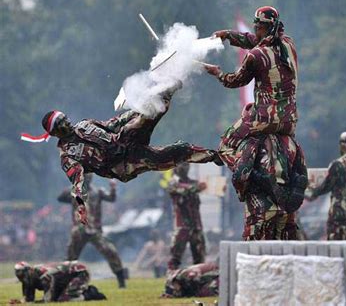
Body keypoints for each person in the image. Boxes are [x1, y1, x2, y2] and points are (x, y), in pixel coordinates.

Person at [21, 81, 219, 224]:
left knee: (147, 115)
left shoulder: (84, 124)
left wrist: (136, 110)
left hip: (124, 140)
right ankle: (212, 156)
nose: (66, 123)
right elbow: (77, 181)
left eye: (64, 118)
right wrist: (81, 206)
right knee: (175, 151)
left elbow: (112, 125)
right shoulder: (67, 155)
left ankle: (169, 87)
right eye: (61, 124)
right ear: (55, 133)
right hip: (123, 165)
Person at [204, 6, 298, 171]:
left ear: (261, 27)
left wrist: (218, 73)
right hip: (290, 120)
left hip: (264, 118)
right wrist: (228, 34)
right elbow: (258, 40)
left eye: (257, 26)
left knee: (225, 146)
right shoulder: (288, 44)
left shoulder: (255, 56)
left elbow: (235, 81)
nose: (254, 29)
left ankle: (249, 173)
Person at [234, 134, 308, 240]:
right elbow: (302, 177)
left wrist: (242, 194)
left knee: (258, 254)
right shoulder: (292, 143)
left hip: (260, 212)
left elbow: (240, 177)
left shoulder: (252, 141)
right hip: (286, 212)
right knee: (286, 253)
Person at [57, 173, 126, 288]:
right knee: (70, 258)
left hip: (94, 230)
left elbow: (111, 198)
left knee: (110, 251)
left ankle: (121, 281)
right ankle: (62, 283)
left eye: (90, 176)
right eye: (86, 176)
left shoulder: (98, 191)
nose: (88, 178)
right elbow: (60, 197)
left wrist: (113, 188)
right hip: (79, 230)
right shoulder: (74, 190)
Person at [309, 132, 346, 241]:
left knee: (336, 245)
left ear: (342, 146)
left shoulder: (338, 165)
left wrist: (311, 193)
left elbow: (326, 187)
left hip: (340, 212)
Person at [167, 163, 207, 270]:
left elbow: (204, 187)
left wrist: (217, 187)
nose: (185, 167)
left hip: (196, 226)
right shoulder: (173, 183)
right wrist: (197, 187)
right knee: (175, 257)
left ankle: (197, 283)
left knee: (200, 258)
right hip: (182, 226)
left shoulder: (193, 182)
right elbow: (184, 189)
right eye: (182, 164)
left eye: (186, 164)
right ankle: (172, 282)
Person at [13, 261, 105, 303]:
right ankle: (82, 291)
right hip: (67, 277)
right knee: (59, 298)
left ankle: (91, 293)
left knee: (65, 299)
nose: (22, 278)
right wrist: (20, 302)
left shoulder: (44, 276)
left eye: (23, 275)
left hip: (80, 272)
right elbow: (29, 299)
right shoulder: (30, 277)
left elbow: (48, 300)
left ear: (30, 271)